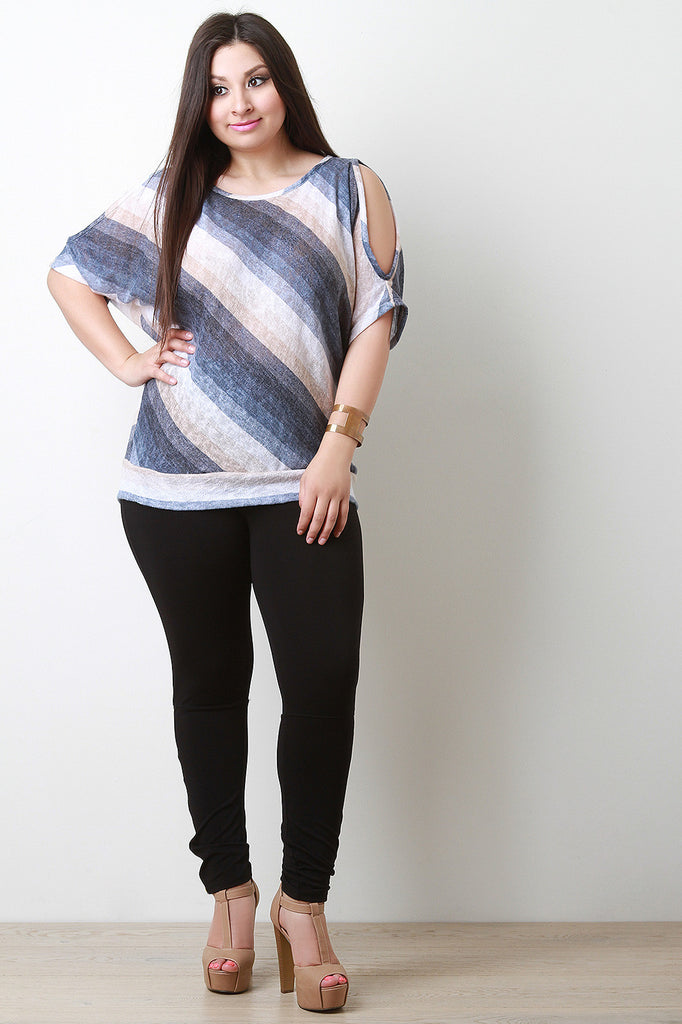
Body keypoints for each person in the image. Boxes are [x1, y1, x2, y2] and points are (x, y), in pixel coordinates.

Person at [47, 10, 407, 1014]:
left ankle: (304, 905)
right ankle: (231, 896)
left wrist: (338, 444)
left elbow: (376, 317)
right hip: (174, 490)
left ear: (282, 82)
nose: (238, 102)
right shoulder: (173, 194)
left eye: (254, 79)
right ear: (197, 102)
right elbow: (68, 271)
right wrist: (128, 360)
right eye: (217, 87)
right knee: (209, 689)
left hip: (305, 483)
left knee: (322, 685)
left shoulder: (349, 188)